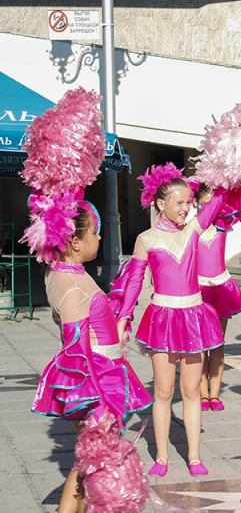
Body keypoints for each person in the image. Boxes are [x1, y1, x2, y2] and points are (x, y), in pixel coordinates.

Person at [29, 203, 153, 513]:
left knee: (91, 461)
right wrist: (99, 406)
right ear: (74, 241)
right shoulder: (71, 286)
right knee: (94, 459)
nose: (99, 238)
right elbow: (76, 352)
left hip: (103, 373)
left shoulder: (65, 272)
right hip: (94, 384)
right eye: (95, 233)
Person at [114, 164, 235, 477]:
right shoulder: (146, 239)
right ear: (160, 205)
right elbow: (135, 282)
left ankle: (194, 456)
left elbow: (219, 200)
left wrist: (229, 165)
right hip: (162, 318)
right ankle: (163, 457)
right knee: (164, 392)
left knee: (191, 391)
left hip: (194, 316)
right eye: (179, 203)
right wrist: (124, 317)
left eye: (189, 202)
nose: (186, 208)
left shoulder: (194, 229)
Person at [195, 183, 241, 411]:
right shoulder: (190, 229)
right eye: (205, 204)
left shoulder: (223, 226)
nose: (210, 209)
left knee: (217, 344)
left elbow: (238, 202)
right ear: (197, 203)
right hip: (196, 290)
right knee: (198, 346)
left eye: (214, 204)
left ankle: (214, 394)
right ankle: (201, 393)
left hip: (219, 287)